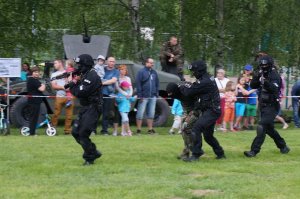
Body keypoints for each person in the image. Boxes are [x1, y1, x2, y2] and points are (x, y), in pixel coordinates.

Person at [178, 60, 225, 162]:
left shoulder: (204, 81)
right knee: (208, 136)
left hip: (212, 111)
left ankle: (196, 154)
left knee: (196, 128)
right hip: (210, 110)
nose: (193, 73)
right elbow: (193, 88)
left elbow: (189, 92)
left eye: (194, 71)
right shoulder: (206, 78)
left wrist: (182, 85)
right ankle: (220, 153)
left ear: (199, 71)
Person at [244, 55, 290, 157]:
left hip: (272, 105)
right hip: (263, 105)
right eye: (262, 65)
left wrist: (266, 82)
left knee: (261, 126)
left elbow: (275, 89)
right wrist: (257, 77)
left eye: (265, 64)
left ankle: (254, 151)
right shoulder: (261, 73)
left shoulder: (275, 75)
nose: (263, 66)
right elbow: (253, 85)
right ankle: (283, 146)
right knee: (269, 129)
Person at [65, 54, 103, 166]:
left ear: (86, 65)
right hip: (85, 107)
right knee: (75, 132)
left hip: (93, 107)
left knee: (83, 133)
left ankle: (89, 158)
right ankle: (93, 151)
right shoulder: (85, 74)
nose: (79, 67)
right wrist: (73, 82)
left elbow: (80, 92)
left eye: (80, 65)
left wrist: (71, 84)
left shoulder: (92, 75)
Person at [166, 82, 202, 160]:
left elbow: (198, 99)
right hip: (187, 110)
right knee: (183, 130)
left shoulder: (186, 92)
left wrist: (192, 113)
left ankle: (195, 150)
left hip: (196, 110)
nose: (171, 96)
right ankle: (187, 151)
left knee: (186, 127)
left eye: (171, 94)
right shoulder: (177, 91)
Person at [135, 58, 159, 135]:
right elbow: (138, 84)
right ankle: (138, 130)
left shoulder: (154, 72)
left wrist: (156, 94)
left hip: (152, 96)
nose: (152, 64)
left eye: (153, 63)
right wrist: (140, 95)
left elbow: (157, 83)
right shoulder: (141, 72)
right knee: (140, 113)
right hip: (143, 96)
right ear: (146, 63)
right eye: (151, 63)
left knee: (151, 113)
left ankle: (150, 130)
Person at [50, 59, 74, 135]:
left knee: (69, 116)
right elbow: (54, 86)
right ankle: (52, 130)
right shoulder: (53, 74)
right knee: (56, 114)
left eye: (55, 63)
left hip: (69, 97)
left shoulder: (69, 72)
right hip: (59, 96)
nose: (54, 65)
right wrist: (64, 87)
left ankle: (67, 131)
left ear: (60, 63)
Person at [101, 57, 120, 135]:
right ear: (107, 62)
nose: (112, 63)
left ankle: (104, 131)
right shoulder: (102, 69)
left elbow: (113, 80)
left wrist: (102, 83)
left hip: (108, 95)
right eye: (110, 61)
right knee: (96, 113)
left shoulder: (116, 71)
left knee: (106, 113)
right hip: (99, 93)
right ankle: (93, 130)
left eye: (113, 61)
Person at [26, 66, 45, 136]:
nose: (37, 73)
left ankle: (32, 131)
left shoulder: (34, 79)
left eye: (37, 72)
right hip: (34, 102)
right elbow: (42, 89)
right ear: (32, 73)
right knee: (33, 118)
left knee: (34, 117)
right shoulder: (32, 80)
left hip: (35, 101)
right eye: (35, 72)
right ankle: (32, 133)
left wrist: (42, 85)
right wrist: (43, 84)